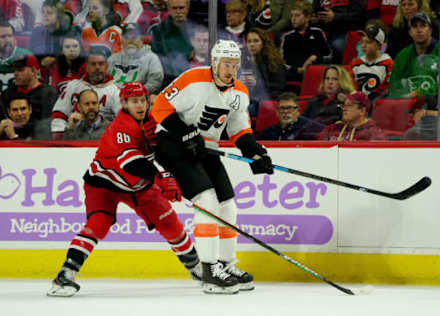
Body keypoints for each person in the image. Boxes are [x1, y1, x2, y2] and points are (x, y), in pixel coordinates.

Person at [47, 82, 201, 297]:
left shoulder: (153, 121)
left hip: (138, 186)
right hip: (104, 183)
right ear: (124, 103)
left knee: (169, 222)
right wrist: (161, 178)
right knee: (98, 224)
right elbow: (132, 164)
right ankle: (66, 273)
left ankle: (196, 269)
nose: (140, 105)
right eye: (134, 101)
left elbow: (167, 150)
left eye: (143, 100)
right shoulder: (121, 127)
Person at [151, 40, 274, 294]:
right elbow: (160, 107)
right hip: (173, 145)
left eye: (234, 65)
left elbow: (239, 130)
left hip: (206, 149)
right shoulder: (193, 79)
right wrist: (186, 133)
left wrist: (255, 153)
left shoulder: (239, 91)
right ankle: (209, 270)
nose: (230, 70)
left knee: (227, 203)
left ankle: (227, 265)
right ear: (215, 63)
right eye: (226, 64)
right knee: (206, 200)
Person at [389, 12, 440, 121]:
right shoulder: (403, 55)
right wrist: (405, 96)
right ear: (410, 32)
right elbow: (394, 85)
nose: (419, 30)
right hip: (410, 101)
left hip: (437, 100)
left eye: (423, 26)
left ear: (430, 30)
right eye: (415, 26)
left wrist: (422, 94)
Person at [51, 48, 121, 139]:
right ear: (86, 66)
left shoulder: (115, 90)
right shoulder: (73, 86)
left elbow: (122, 119)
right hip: (73, 135)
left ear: (106, 66)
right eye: (93, 64)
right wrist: (58, 135)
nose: (97, 67)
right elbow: (59, 113)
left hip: (101, 136)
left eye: (101, 64)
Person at [280, 1, 332, 82]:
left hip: (315, 72)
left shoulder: (317, 32)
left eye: (297, 15)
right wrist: (298, 70)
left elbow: (328, 55)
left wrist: (315, 57)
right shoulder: (287, 36)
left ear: (307, 17)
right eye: (292, 15)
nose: (293, 19)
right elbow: (283, 62)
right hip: (294, 75)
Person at [241, 27, 286, 118]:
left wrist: (257, 83)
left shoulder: (273, 62)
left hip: (264, 102)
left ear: (264, 43)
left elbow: (279, 87)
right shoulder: (243, 61)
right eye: (249, 42)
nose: (252, 45)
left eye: (256, 41)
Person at [0, 55, 58, 122]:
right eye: (14, 70)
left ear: (33, 71)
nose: (15, 74)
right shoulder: (7, 94)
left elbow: (47, 123)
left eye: (20, 70)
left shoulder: (48, 94)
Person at [107, 25, 164, 95]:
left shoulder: (151, 58)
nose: (130, 41)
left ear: (142, 39)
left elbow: (155, 82)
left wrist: (136, 94)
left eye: (134, 37)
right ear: (121, 40)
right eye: (126, 37)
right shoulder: (113, 58)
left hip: (138, 100)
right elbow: (104, 80)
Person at [0, 22, 34, 95]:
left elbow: (35, 88)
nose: (8, 40)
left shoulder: (27, 56)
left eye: (10, 36)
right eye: (3, 37)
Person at [28, 0, 80, 68]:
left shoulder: (72, 32)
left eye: (49, 13)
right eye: (43, 12)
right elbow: (30, 55)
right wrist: (41, 61)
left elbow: (76, 57)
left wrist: (55, 60)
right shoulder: (36, 32)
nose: (45, 15)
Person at [318, 91, 386, 141]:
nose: (344, 108)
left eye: (349, 105)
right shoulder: (333, 128)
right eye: (344, 105)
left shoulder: (373, 134)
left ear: (362, 111)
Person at [350, 25, 393, 101]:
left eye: (368, 42)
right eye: (362, 42)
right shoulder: (355, 64)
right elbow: (350, 86)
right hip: (356, 103)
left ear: (379, 45)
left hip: (377, 104)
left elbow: (387, 90)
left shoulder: (388, 64)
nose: (363, 45)